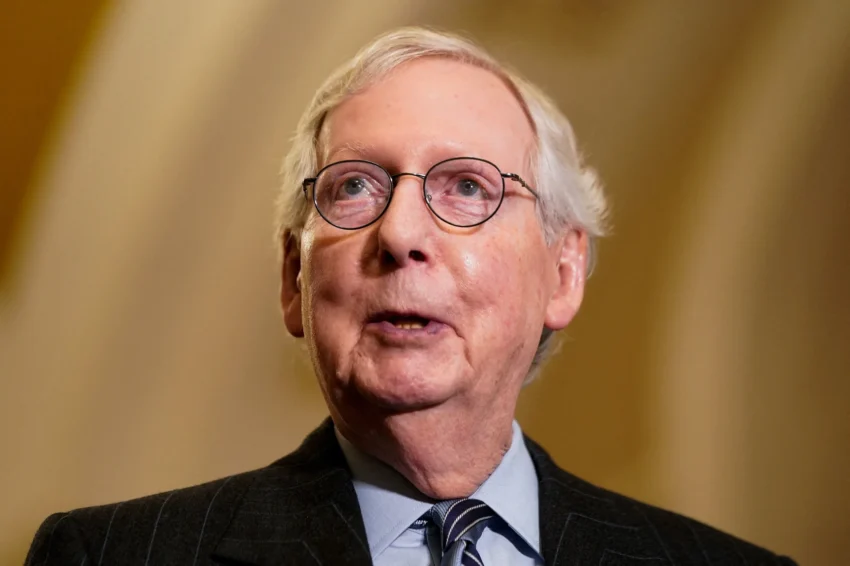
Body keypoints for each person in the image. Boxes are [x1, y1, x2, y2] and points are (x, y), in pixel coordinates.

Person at [26, 27, 796, 566]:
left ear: (563, 274)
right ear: (292, 283)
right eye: (354, 186)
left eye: (467, 187)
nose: (399, 233)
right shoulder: (112, 556)